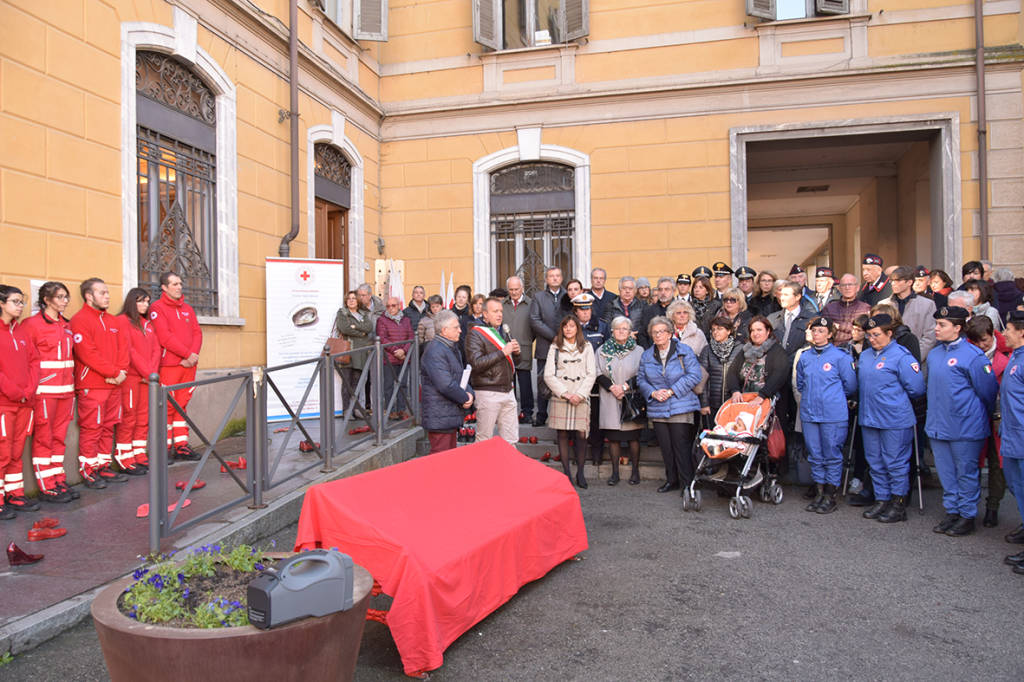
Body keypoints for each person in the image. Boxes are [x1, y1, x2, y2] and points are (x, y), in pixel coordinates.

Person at [926, 306, 999, 536]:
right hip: (939, 425)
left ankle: (967, 515)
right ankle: (953, 512)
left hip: (966, 427)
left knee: (965, 473)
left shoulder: (973, 356)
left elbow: (988, 392)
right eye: (936, 324)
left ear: (958, 328)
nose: (936, 328)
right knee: (947, 473)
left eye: (942, 325)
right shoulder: (935, 353)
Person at [856, 314, 926, 523]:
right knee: (875, 461)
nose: (872, 339)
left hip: (894, 418)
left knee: (895, 462)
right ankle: (882, 499)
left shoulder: (901, 356)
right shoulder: (867, 356)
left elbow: (916, 388)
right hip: (870, 417)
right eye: (869, 335)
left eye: (876, 335)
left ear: (889, 334)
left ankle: (898, 503)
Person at [795, 317, 858, 514]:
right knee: (815, 454)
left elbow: (851, 385)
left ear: (830, 334)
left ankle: (830, 494)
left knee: (832, 453)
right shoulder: (805, 357)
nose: (817, 334)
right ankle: (820, 491)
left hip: (833, 413)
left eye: (822, 331)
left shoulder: (841, 357)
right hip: (810, 412)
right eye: (814, 331)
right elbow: (801, 382)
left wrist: (833, 398)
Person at [71, 278, 129, 488]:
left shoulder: (114, 321)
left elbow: (124, 348)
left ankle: (103, 465)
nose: (107, 296)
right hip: (93, 385)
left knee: (108, 426)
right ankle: (89, 470)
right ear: (89, 296)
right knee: (91, 428)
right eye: (102, 293)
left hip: (115, 383)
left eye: (107, 292)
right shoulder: (79, 320)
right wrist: (113, 372)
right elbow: (87, 353)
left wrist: (121, 372)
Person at [20, 282, 75, 503]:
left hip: (66, 392)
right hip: (44, 392)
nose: (64, 301)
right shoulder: (31, 325)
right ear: (46, 300)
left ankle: (58, 479)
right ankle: (47, 486)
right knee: (44, 438)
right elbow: (25, 360)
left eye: (66, 297)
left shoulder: (67, 325)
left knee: (59, 438)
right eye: (60, 297)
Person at [638, 316, 703, 494]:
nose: (658, 335)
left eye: (661, 332)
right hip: (658, 406)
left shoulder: (684, 351)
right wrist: (653, 392)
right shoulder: (647, 354)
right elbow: (641, 379)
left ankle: (687, 483)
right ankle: (671, 480)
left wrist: (672, 391)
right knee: (666, 448)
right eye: (654, 332)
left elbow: (694, 375)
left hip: (681, 404)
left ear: (669, 333)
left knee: (681, 446)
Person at [148, 272, 202, 460]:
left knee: (182, 406)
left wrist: (193, 356)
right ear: (164, 287)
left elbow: (197, 332)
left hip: (189, 365)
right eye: (174, 284)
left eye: (180, 283)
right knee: (168, 407)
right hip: (171, 365)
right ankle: (165, 449)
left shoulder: (187, 308)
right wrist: (187, 355)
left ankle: (181, 446)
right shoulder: (157, 308)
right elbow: (164, 336)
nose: (179, 287)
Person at [0, 285, 40, 517]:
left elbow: (35, 362)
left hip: (25, 402)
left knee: (16, 451)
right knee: (2, 451)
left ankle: (14, 494)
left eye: (21, 302)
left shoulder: (22, 332)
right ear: (2, 303)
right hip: (5, 402)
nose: (20, 306)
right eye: (15, 301)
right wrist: (17, 392)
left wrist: (29, 389)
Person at [966, 315, 1010, 527]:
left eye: (985, 340)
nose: (982, 345)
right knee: (973, 461)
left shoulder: (1007, 353)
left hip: (1000, 417)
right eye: (977, 342)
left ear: (992, 335)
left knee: (997, 463)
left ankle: (993, 505)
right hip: (976, 415)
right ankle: (969, 507)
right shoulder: (969, 354)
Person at [544, 315, 597, 488]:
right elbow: (548, 375)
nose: (568, 329)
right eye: (565, 326)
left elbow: (592, 373)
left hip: (581, 395)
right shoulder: (555, 347)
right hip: (562, 396)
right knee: (563, 434)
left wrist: (580, 394)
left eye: (572, 326)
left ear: (577, 328)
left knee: (581, 434)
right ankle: (567, 473)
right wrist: (566, 393)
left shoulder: (587, 346)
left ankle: (580, 472)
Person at [114, 288, 161, 475]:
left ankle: (139, 454)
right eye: (141, 301)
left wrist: (151, 373)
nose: (145, 305)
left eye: (147, 302)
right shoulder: (122, 321)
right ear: (131, 302)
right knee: (129, 417)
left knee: (143, 418)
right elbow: (129, 351)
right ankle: (125, 457)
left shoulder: (147, 324)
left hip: (147, 378)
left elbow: (156, 349)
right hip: (133, 378)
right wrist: (148, 373)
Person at [595, 317, 645, 485]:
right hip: (610, 397)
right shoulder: (602, 350)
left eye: (625, 329)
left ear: (630, 332)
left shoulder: (639, 351)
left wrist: (624, 387)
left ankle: (635, 472)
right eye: (618, 329)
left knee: (633, 438)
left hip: (630, 397)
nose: (621, 331)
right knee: (614, 438)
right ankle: (615, 473)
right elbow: (597, 371)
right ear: (612, 331)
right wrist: (612, 387)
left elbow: (644, 373)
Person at [467, 297, 520, 444]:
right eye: (495, 311)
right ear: (485, 314)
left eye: (501, 311)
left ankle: (509, 468)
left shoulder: (503, 331)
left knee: (511, 440)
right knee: (484, 440)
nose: (499, 315)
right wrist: (503, 352)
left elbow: (514, 364)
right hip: (488, 392)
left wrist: (516, 354)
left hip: (508, 390)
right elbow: (476, 363)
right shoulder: (475, 333)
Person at [420, 310, 474, 453]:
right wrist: (464, 397)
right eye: (456, 327)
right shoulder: (435, 351)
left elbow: (460, 376)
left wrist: (469, 392)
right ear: (444, 330)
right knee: (440, 460)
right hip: (440, 415)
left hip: (447, 414)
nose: (460, 330)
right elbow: (445, 384)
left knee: (448, 459)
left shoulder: (449, 347)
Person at [998, 311, 1024, 570]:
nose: (1004, 333)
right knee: (1018, 488)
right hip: (1013, 435)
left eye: (1009, 329)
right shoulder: (1016, 357)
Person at [725, 316, 790, 410]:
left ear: (768, 331)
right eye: (752, 330)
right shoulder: (745, 350)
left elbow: (779, 376)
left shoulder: (778, 352)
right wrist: (735, 391)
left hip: (766, 403)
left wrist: (763, 395)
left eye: (759, 330)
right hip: (744, 402)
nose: (755, 333)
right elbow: (732, 372)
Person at [529, 267, 564, 426]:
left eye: (557, 276)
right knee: (543, 380)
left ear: (562, 278)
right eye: (551, 276)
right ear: (546, 279)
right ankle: (541, 414)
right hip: (545, 345)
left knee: (564, 380)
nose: (555, 279)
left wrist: (563, 338)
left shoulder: (568, 295)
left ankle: (561, 415)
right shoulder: (538, 297)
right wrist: (553, 336)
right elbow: (534, 320)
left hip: (566, 346)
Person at [883, 265, 937, 358]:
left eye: (898, 280)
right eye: (892, 281)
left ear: (909, 282)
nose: (893, 284)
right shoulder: (883, 305)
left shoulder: (927, 304)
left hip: (915, 358)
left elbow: (929, 337)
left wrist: (912, 358)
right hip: (887, 358)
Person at [334, 290, 375, 414]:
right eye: (349, 298)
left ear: (357, 301)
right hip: (347, 352)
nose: (351, 300)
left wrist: (355, 326)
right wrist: (361, 333)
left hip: (361, 354)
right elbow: (344, 328)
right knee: (347, 383)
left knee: (357, 384)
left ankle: (356, 409)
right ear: (346, 301)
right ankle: (346, 410)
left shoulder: (363, 313)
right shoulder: (342, 313)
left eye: (354, 298)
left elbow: (369, 327)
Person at [503, 276, 534, 424]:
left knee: (525, 383)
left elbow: (534, 327)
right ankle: (510, 413)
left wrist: (526, 340)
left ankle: (527, 412)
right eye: (511, 289)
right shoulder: (503, 304)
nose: (514, 292)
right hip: (506, 350)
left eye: (516, 289)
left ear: (522, 288)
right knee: (509, 383)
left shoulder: (531, 304)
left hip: (524, 349)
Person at [376, 296, 414, 420]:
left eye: (393, 305)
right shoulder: (382, 320)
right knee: (388, 386)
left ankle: (401, 409)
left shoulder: (406, 320)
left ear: (399, 306)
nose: (391, 308)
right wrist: (395, 351)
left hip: (403, 358)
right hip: (389, 359)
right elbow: (382, 338)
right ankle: (391, 410)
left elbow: (411, 337)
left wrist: (403, 350)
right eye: (388, 306)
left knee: (403, 385)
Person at [699, 316, 743, 420]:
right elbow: (701, 379)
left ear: (728, 331)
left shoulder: (740, 349)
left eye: (720, 329)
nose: (715, 332)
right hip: (712, 403)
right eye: (713, 329)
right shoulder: (707, 350)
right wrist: (704, 403)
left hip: (734, 402)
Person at [822, 273, 871, 346]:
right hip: (833, 349)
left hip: (856, 349)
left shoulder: (865, 308)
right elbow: (825, 331)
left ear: (857, 288)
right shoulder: (829, 308)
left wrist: (840, 326)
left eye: (850, 284)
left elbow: (864, 331)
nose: (847, 288)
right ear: (839, 288)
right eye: (844, 285)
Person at [638, 277, 677, 347]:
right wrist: (649, 352)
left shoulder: (680, 310)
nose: (663, 292)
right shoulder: (648, 310)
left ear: (674, 291)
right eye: (660, 289)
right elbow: (642, 335)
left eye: (666, 289)